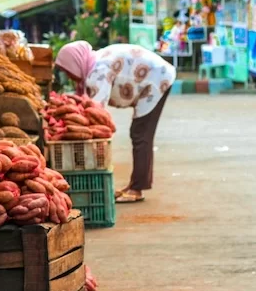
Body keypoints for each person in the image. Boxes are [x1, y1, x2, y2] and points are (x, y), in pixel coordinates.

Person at [55, 41, 176, 203]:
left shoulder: (99, 70)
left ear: (76, 63)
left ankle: (137, 189)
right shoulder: (93, 62)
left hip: (157, 80)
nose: (69, 76)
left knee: (141, 134)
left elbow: (96, 110)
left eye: (68, 70)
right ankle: (134, 185)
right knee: (139, 134)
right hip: (153, 76)